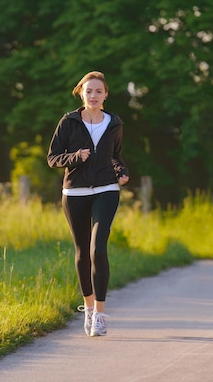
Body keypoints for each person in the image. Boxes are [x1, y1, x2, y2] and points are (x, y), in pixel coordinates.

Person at [47, 71, 129, 337]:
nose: (93, 96)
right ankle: (89, 308)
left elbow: (114, 156)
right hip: (75, 193)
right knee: (82, 251)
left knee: (98, 249)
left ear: (106, 95)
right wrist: (75, 157)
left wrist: (121, 171)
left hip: (106, 189)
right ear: (81, 93)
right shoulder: (68, 122)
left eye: (99, 91)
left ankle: (101, 316)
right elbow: (53, 158)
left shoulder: (114, 123)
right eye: (89, 91)